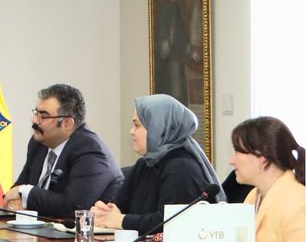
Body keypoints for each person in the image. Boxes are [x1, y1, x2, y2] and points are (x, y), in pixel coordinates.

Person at [92, 94, 221, 233]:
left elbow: (168, 221)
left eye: (137, 125)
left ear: (159, 127)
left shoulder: (181, 168)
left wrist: (120, 220)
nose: (131, 131)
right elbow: (119, 206)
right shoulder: (144, 164)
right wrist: (104, 213)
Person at [4, 84, 123, 219]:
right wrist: (18, 196)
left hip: (86, 236)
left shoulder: (90, 150)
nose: (35, 120)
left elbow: (74, 207)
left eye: (43, 116)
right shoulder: (38, 144)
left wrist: (25, 193)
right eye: (36, 113)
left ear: (67, 123)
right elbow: (14, 192)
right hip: (46, 231)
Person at [229, 117, 305, 242]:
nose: (231, 160)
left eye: (237, 152)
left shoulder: (298, 202)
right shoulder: (253, 195)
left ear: (262, 158)